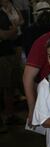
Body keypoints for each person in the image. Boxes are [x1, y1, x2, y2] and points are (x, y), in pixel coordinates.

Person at [0, 0, 21, 133]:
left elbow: (11, 35)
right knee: (4, 87)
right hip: (2, 55)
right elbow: (4, 34)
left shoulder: (4, 12)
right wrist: (14, 29)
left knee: (10, 86)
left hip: (9, 52)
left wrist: (12, 31)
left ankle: (10, 115)